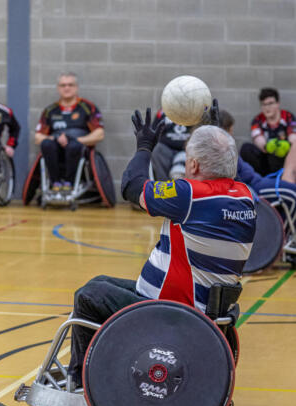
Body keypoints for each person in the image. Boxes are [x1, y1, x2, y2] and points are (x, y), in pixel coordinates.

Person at [68, 107, 256, 386]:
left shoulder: (189, 195)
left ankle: (81, 383)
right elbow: (220, 167)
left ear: (192, 166)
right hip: (210, 311)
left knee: (88, 295)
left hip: (173, 313)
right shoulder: (244, 196)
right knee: (101, 282)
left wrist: (145, 147)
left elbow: (132, 186)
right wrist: (213, 133)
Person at [220, 109, 296, 229]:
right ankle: (282, 239)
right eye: (230, 131)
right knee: (292, 194)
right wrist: (252, 195)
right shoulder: (221, 151)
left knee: (290, 191)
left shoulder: (227, 148)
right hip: (255, 188)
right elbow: (234, 181)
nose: (232, 135)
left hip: (259, 181)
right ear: (222, 130)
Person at [35, 72, 104, 192]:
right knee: (46, 144)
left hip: (78, 147)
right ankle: (55, 182)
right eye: (63, 85)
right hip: (56, 147)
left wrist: (76, 140)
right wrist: (55, 139)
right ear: (58, 88)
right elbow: (37, 137)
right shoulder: (50, 110)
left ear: (76, 87)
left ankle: (70, 183)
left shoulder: (88, 108)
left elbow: (99, 134)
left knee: (73, 146)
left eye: (70, 85)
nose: (66, 88)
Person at [240, 88, 296, 182]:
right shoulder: (258, 119)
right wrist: (267, 146)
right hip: (266, 160)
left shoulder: (288, 116)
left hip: (285, 160)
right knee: (246, 148)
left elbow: (293, 137)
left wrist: (285, 145)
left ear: (278, 103)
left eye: (270, 103)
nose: (267, 107)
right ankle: (260, 181)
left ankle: (287, 178)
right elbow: (258, 139)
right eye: (263, 104)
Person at [150, 108, 191, 180]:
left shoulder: (197, 107)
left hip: (188, 148)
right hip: (167, 148)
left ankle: (189, 186)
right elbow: (154, 131)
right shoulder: (164, 110)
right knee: (156, 149)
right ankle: (164, 185)